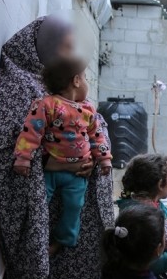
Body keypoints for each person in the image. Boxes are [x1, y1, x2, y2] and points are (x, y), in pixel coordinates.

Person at [0, 16, 114, 279]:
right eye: (65, 49)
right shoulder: (20, 89)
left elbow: (89, 133)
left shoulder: (57, 91)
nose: (71, 58)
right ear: (41, 51)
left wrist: (92, 162)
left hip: (74, 235)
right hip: (44, 236)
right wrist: (57, 165)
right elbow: (12, 156)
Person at [13, 57, 112, 256]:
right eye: (85, 78)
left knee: (74, 206)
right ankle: (34, 238)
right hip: (50, 170)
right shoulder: (46, 105)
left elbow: (97, 136)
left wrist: (104, 158)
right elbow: (31, 132)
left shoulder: (88, 110)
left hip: (77, 175)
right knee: (39, 205)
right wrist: (23, 158)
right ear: (76, 80)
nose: (87, 83)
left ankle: (62, 240)